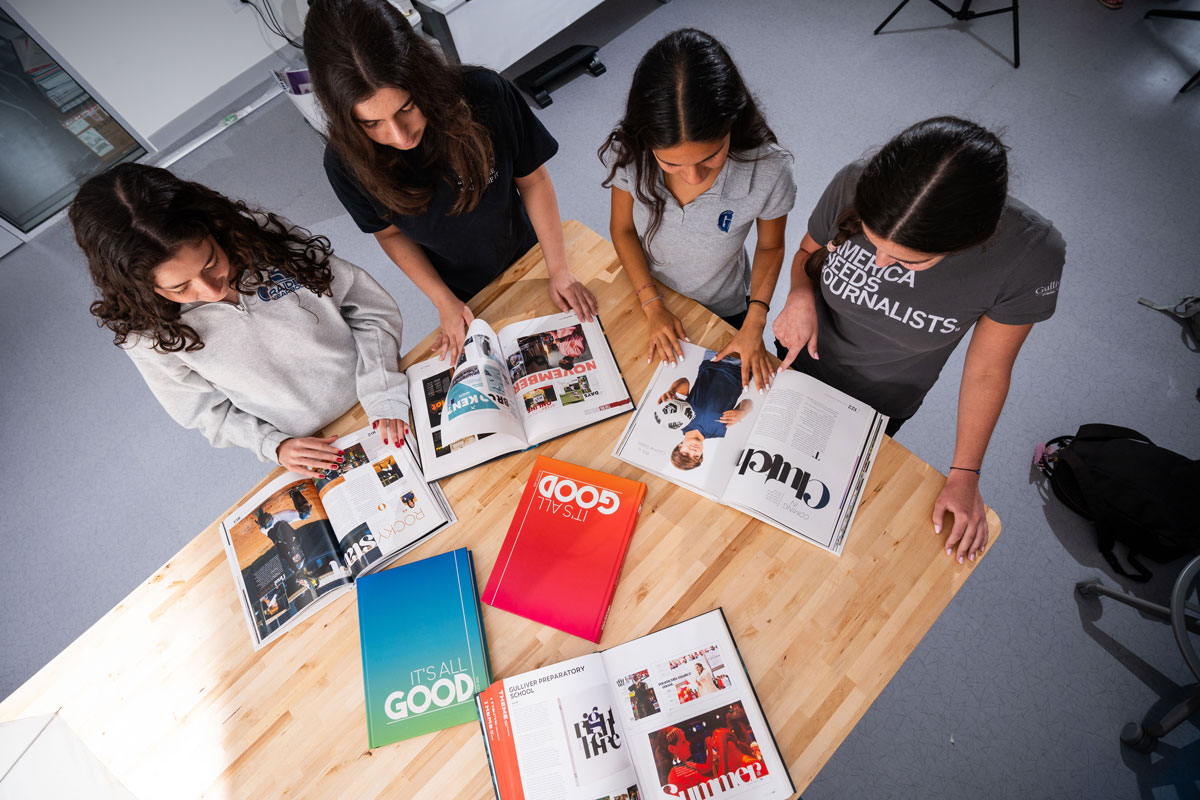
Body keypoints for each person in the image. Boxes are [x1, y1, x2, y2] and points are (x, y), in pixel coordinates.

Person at [772, 116, 1066, 565]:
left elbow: (988, 369)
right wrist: (799, 293)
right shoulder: (856, 181)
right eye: (871, 242)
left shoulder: (1029, 256)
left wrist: (965, 473)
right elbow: (809, 253)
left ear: (971, 241)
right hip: (797, 358)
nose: (880, 264)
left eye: (911, 261)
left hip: (881, 400)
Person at [71, 163, 411, 477]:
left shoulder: (263, 238)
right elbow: (205, 410)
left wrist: (382, 389)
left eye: (210, 263)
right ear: (141, 287)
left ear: (215, 231)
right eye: (180, 287)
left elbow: (365, 308)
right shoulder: (145, 334)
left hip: (386, 392)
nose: (210, 289)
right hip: (315, 444)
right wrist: (271, 444)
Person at [304, 0, 597, 364]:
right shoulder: (345, 163)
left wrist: (559, 270)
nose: (398, 135)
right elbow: (390, 234)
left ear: (423, 80)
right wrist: (443, 301)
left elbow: (533, 180)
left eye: (406, 108)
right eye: (371, 124)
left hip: (527, 248)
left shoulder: (485, 95)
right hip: (458, 288)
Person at [600, 28, 795, 390]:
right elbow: (623, 229)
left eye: (711, 157)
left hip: (726, 306)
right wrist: (652, 304)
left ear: (732, 124)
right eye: (671, 164)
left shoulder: (769, 168)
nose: (691, 177)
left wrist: (755, 321)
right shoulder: (630, 151)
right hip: (645, 288)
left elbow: (771, 246)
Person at [659, 351, 754, 471]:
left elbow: (684, 382)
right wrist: (742, 412)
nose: (693, 451)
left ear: (680, 446)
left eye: (686, 453)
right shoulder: (719, 430)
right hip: (742, 369)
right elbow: (749, 403)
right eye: (696, 456)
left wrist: (672, 390)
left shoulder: (680, 420)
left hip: (714, 359)